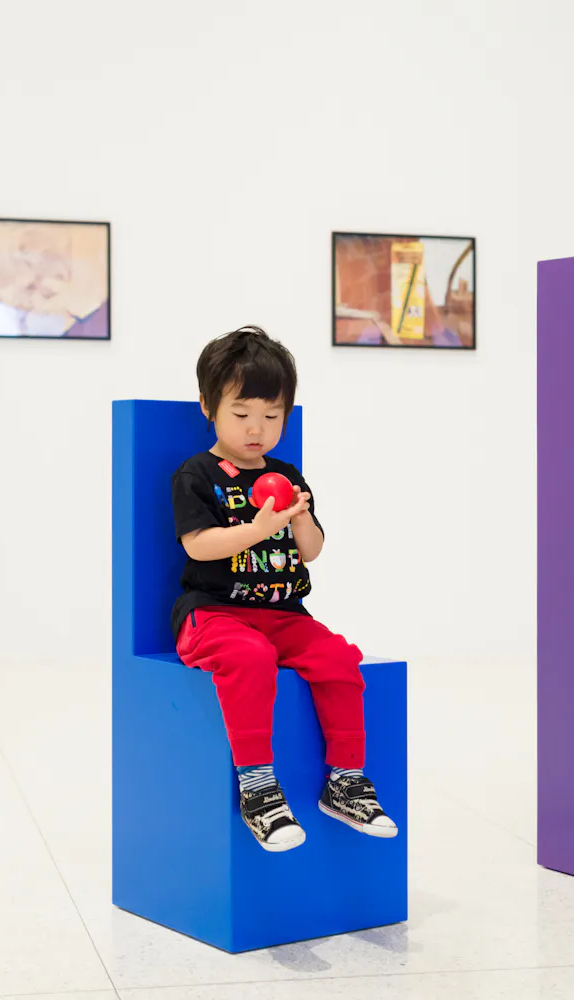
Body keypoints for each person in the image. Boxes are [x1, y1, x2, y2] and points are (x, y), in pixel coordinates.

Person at [171, 325, 397, 852]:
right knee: (248, 657)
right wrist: (259, 527)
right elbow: (199, 546)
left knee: (340, 658)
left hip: (285, 614)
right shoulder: (197, 474)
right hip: (214, 615)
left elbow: (312, 550)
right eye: (242, 414)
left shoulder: (287, 474)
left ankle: (344, 780)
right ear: (209, 406)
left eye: (272, 417)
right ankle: (257, 787)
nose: (257, 429)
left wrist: (297, 518)